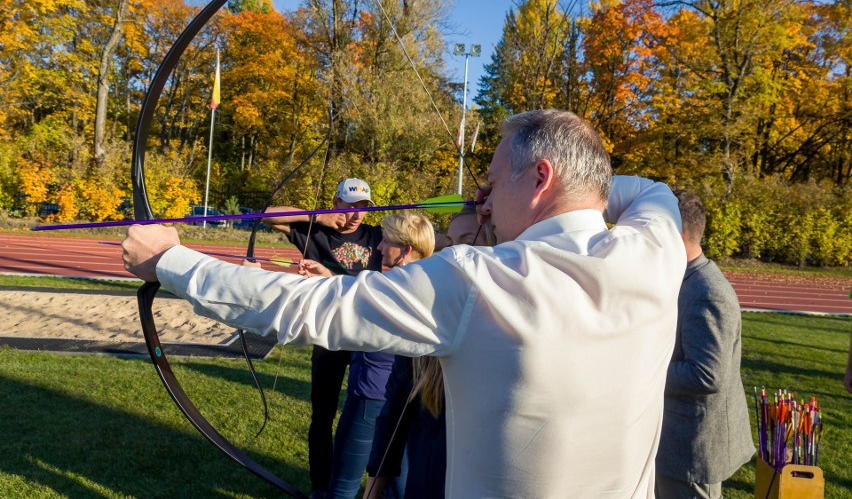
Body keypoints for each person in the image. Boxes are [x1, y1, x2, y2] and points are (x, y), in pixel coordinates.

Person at [123, 108, 686, 497]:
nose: (483, 204)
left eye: (490, 185)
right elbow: (651, 191)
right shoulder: (656, 252)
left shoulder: (480, 279)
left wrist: (171, 261)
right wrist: (581, 187)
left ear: (540, 177)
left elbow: (312, 306)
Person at [262, 178, 383, 499]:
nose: (357, 215)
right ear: (335, 202)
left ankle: (374, 486)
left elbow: (432, 240)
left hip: (366, 336)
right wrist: (317, 216)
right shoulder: (313, 231)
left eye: (363, 207)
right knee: (323, 414)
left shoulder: (377, 236)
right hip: (329, 334)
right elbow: (266, 214)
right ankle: (320, 486)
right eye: (350, 205)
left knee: (369, 413)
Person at [365, 207, 492, 499]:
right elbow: (396, 407)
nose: (458, 251)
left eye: (469, 240)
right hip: (428, 480)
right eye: (451, 241)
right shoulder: (429, 315)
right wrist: (373, 489)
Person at [322, 212, 434, 498]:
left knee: (343, 486)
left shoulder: (388, 289)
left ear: (406, 250)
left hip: (370, 398)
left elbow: (349, 304)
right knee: (396, 487)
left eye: (386, 241)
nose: (380, 247)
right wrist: (327, 278)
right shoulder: (432, 286)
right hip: (410, 402)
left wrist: (325, 282)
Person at [654, 190, 755, 499]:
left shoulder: (708, 291)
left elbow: (707, 374)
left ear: (677, 232)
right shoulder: (684, 278)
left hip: (692, 449)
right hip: (678, 444)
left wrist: (642, 370)